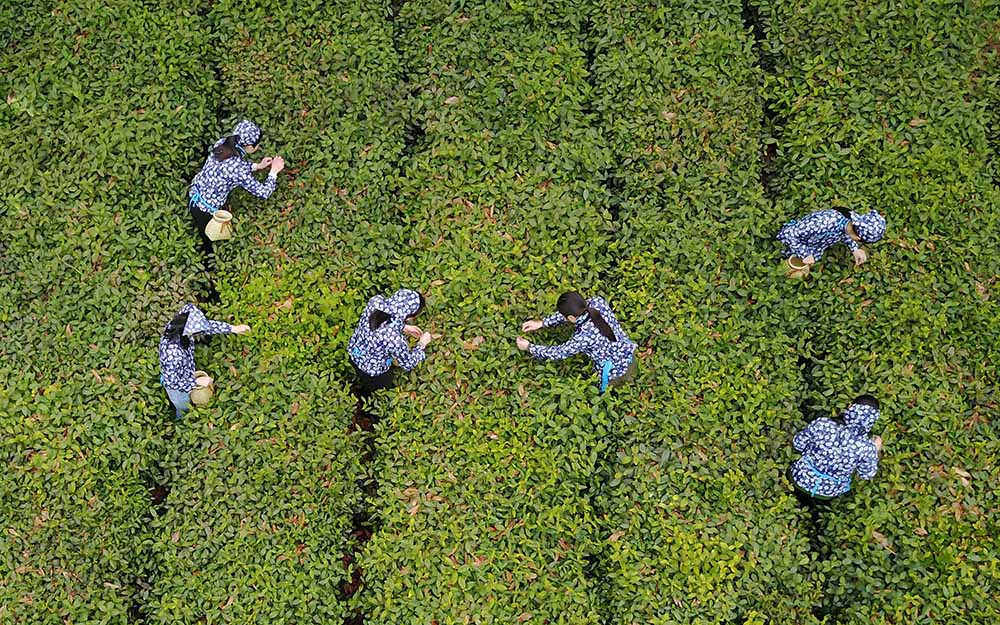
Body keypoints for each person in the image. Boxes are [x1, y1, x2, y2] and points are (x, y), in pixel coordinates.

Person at [187, 119, 286, 269]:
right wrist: (274, 171)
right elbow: (263, 192)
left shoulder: (222, 143)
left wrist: (257, 166)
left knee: (206, 233)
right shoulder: (237, 168)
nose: (258, 147)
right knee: (210, 239)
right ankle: (210, 264)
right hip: (205, 210)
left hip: (195, 192)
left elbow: (233, 167)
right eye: (257, 145)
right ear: (250, 147)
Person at [517, 291, 636, 392]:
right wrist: (542, 323)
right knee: (633, 378)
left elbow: (559, 352)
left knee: (616, 391)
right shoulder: (597, 302)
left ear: (571, 318)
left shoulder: (583, 337)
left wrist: (529, 347)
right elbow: (572, 313)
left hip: (615, 373)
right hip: (629, 353)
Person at [158, 303, 250, 419]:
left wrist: (233, 328)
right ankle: (180, 421)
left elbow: (207, 327)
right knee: (183, 408)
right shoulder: (173, 354)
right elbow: (173, 381)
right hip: (177, 389)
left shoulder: (179, 325)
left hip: (185, 373)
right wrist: (196, 382)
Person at [789, 395, 883, 502]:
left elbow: (798, 444)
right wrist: (876, 450)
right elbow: (867, 474)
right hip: (826, 494)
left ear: (850, 406)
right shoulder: (867, 448)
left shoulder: (823, 423)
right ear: (873, 419)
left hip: (797, 478)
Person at [347, 289, 433, 396]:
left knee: (361, 376)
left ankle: (357, 385)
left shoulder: (375, 301)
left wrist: (403, 327)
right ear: (409, 316)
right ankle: (366, 396)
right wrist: (422, 344)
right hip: (372, 371)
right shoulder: (395, 340)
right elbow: (408, 363)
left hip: (354, 352)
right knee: (380, 387)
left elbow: (380, 319)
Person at [777, 208, 886, 268]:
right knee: (789, 262)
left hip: (816, 244)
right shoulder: (823, 223)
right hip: (796, 240)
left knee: (811, 259)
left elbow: (846, 235)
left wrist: (855, 249)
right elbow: (789, 233)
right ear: (858, 237)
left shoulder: (849, 224)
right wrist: (805, 254)